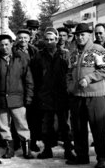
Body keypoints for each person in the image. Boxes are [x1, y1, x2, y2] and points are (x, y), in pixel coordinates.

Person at [66, 23, 105, 168]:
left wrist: (89, 78)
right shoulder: (73, 53)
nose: (79, 37)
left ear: (89, 35)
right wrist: (70, 86)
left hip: (95, 96)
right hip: (77, 96)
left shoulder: (98, 50)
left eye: (82, 35)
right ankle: (82, 157)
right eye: (77, 35)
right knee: (78, 129)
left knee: (98, 128)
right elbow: (68, 73)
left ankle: (102, 158)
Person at [31, 28, 74, 160]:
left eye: (52, 39)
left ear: (56, 39)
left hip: (61, 94)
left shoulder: (64, 54)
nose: (49, 42)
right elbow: (35, 76)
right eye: (47, 39)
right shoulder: (39, 55)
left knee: (64, 125)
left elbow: (70, 73)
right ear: (44, 40)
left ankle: (68, 150)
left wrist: (68, 90)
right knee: (46, 125)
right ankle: (47, 149)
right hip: (45, 95)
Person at [0, 34, 34, 159]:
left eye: (6, 44)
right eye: (1, 45)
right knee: (3, 127)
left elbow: (28, 80)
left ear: (11, 44)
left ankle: (26, 149)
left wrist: (28, 97)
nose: (4, 47)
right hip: (1, 100)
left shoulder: (20, 59)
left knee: (22, 125)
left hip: (17, 99)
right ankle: (9, 149)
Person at [13, 28, 42, 152]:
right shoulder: (13, 52)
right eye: (20, 37)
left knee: (33, 118)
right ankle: (17, 142)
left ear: (29, 39)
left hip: (34, 87)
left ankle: (33, 142)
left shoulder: (35, 51)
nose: (23, 40)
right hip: (19, 87)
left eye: (25, 37)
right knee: (18, 117)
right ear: (17, 39)